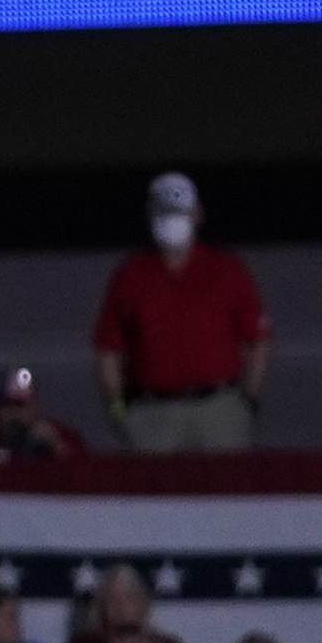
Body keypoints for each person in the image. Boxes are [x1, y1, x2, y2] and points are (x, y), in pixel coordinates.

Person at [91, 172, 268, 451]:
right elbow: (108, 349)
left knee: (223, 491)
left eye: (180, 212)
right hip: (152, 414)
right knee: (157, 493)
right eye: (165, 212)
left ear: (198, 214)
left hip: (218, 411)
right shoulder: (131, 275)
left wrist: (247, 403)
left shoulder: (227, 270)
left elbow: (257, 339)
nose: (173, 220)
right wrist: (119, 411)